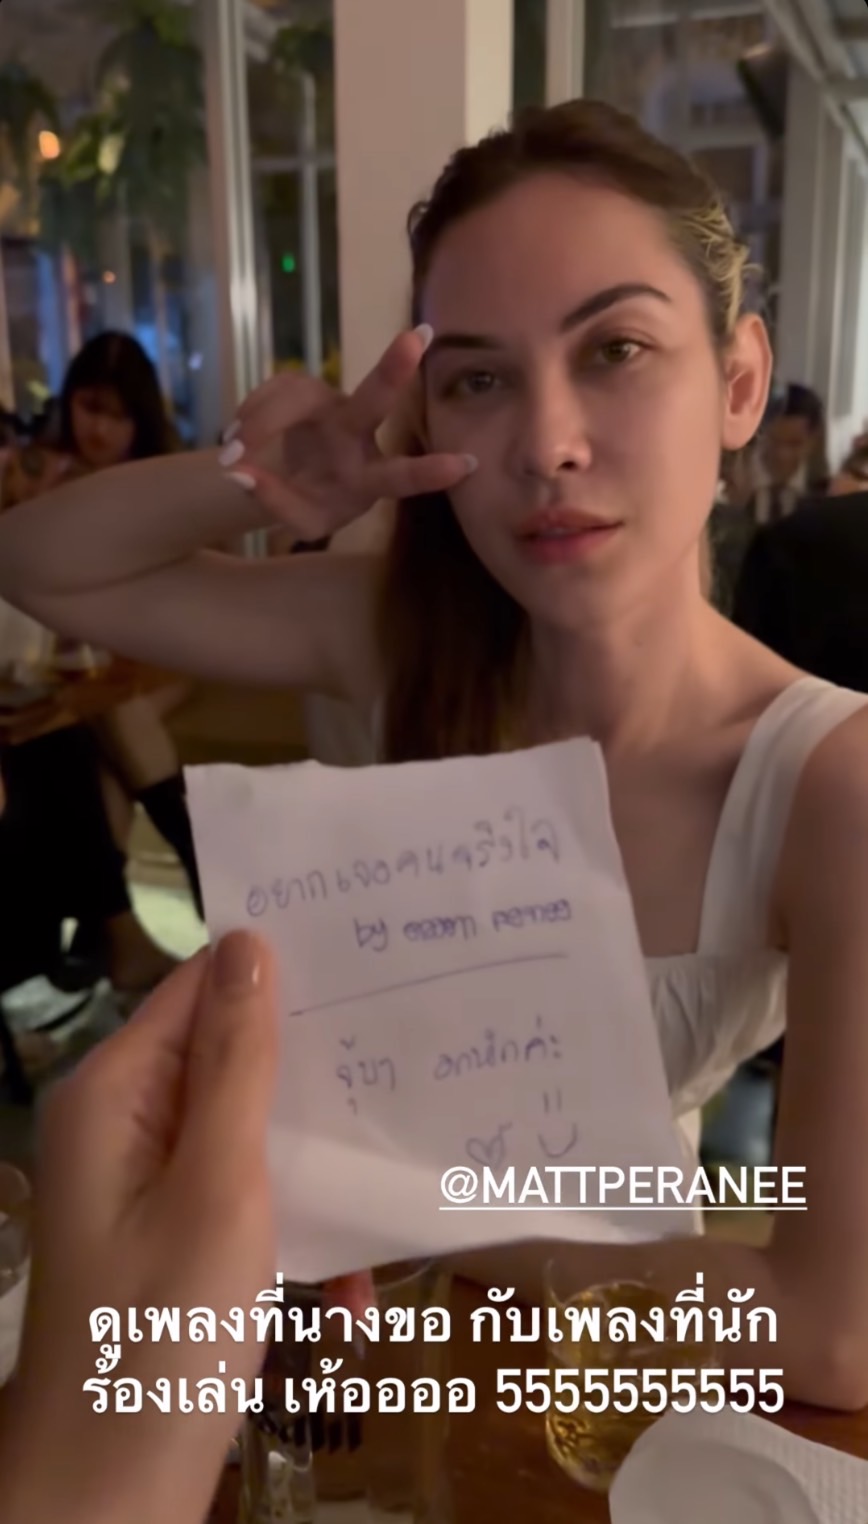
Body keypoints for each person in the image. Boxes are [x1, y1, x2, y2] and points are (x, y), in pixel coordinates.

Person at [0, 99, 867, 1407]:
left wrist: (401, 1210)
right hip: (328, 1337)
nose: (547, 445)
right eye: (479, 379)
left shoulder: (828, 782)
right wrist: (260, 477)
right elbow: (41, 565)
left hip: (612, 1367)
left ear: (740, 382)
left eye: (617, 349)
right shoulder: (409, 637)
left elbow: (836, 1332)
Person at [1, 333, 203, 922]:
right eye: (90, 406)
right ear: (69, 399)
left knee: (108, 704)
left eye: (118, 415)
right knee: (98, 730)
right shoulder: (36, 470)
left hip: (153, 657)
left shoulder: (159, 481)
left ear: (141, 420)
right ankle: (172, 874)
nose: (100, 428)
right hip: (67, 666)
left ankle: (103, 930)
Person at [745, 382, 829, 525]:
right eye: (774, 440)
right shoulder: (734, 485)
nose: (782, 455)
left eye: (795, 444)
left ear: (813, 441)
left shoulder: (824, 492)